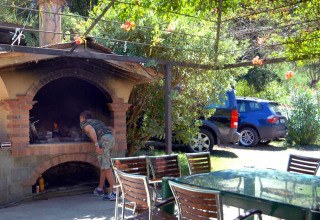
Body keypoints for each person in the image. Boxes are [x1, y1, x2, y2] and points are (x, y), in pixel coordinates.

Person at [80, 111, 117, 201]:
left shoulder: (84, 123)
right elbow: (112, 129)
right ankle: (100, 188)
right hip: (111, 139)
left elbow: (91, 129)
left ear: (82, 118)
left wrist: (96, 145)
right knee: (104, 166)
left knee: (107, 168)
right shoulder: (98, 122)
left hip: (103, 141)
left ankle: (116, 192)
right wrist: (111, 139)